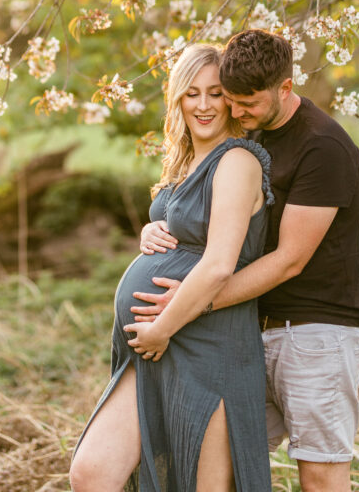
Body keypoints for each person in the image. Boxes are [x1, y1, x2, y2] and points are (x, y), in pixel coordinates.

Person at [134, 29, 359, 492]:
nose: (236, 112)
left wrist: (192, 302)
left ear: (285, 88)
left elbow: (288, 261)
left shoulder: (322, 147)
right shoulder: (249, 138)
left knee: (320, 474)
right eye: (232, 100)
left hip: (316, 332)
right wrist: (156, 227)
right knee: (215, 462)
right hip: (248, 328)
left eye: (248, 103)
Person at [69, 42, 275, 492]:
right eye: (191, 93)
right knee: (92, 473)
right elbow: (186, 228)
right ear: (177, 98)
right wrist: (151, 231)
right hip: (149, 351)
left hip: (206, 345)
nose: (203, 105)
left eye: (216, 93)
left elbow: (220, 265)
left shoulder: (237, 161)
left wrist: (162, 327)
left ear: (232, 99)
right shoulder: (185, 162)